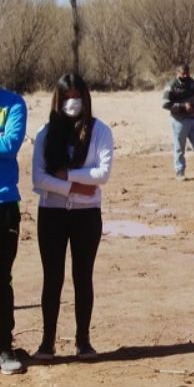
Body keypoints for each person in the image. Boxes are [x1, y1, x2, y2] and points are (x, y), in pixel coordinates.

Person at [31, 73, 114, 360]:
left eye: (77, 97)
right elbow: (38, 179)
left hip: (86, 216)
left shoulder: (100, 131)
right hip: (51, 215)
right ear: (59, 99)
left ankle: (83, 341)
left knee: (83, 277)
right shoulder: (46, 133)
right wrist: (75, 186)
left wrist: (66, 175)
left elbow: (102, 173)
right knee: (52, 278)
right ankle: (47, 342)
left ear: (85, 98)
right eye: (66, 97)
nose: (72, 103)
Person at [0, 85, 26, 375]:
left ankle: (4, 347)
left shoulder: (13, 103)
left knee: (1, 280)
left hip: (4, 203)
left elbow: (10, 145)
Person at [162, 64, 194, 181]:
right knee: (180, 147)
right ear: (177, 73)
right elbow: (165, 103)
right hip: (179, 121)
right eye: (182, 74)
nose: (185, 76)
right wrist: (182, 106)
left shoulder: (192, 82)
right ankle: (180, 172)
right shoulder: (172, 86)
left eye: (187, 73)